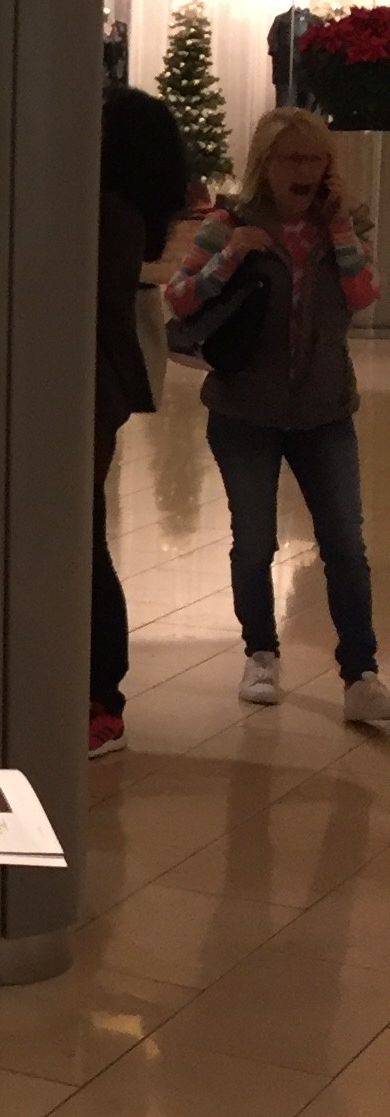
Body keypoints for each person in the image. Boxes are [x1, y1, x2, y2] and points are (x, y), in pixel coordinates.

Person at [164, 106, 390, 724]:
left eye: (316, 158)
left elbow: (363, 295)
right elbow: (180, 298)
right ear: (266, 165)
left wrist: (339, 227)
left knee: (345, 544)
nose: (305, 170)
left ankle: (361, 673)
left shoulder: (345, 225)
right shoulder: (227, 224)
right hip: (245, 411)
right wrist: (230, 255)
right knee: (254, 541)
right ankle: (260, 654)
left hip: (325, 409)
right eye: (293, 158)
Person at [88, 90, 195, 758]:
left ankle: (102, 697)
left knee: (82, 541)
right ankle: (99, 694)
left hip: (86, 391)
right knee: (85, 533)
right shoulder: (126, 213)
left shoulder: (105, 213)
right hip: (98, 391)